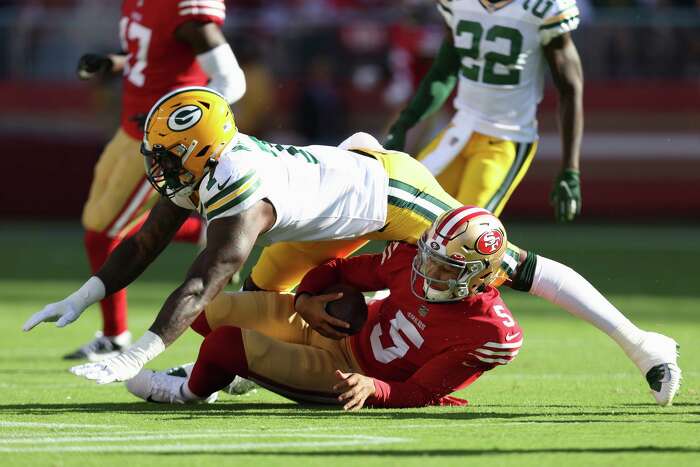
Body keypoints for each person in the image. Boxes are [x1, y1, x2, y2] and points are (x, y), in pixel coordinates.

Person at [22, 87, 679, 406]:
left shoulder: (242, 194)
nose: (159, 168)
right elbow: (146, 243)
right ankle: (224, 381)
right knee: (257, 296)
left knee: (508, 263)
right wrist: (86, 293)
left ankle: (641, 341)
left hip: (384, 191)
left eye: (167, 156)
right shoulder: (208, 168)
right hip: (321, 214)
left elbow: (202, 274)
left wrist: (137, 348)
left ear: (200, 151)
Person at [125, 208, 523, 409]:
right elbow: (340, 270)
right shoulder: (410, 260)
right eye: (427, 256)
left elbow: (422, 392)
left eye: (443, 267)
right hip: (338, 328)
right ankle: (219, 377)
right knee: (209, 308)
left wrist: (374, 388)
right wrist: (306, 301)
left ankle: (191, 391)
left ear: (480, 273)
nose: (426, 270)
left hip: (354, 373)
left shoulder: (489, 332)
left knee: (225, 345)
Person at [70, 0, 246, 360]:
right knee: (96, 222)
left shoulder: (185, 10)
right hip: (129, 129)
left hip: (158, 142)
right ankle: (205, 230)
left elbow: (232, 81)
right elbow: (150, 58)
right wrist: (114, 63)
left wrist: (186, 127)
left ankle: (115, 334)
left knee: (103, 231)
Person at [384, 0, 584, 222]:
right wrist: (403, 124)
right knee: (403, 214)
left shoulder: (542, 7)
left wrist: (570, 169)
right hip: (460, 129)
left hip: (505, 138)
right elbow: (443, 72)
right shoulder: (458, 3)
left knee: (464, 233)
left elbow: (570, 88)